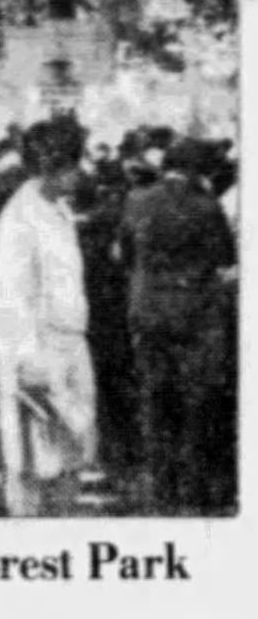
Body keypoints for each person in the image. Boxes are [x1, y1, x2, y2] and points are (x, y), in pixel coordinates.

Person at [116, 138, 238, 515]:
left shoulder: (137, 200)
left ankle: (161, 485)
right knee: (197, 402)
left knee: (155, 398)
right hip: (195, 317)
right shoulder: (206, 206)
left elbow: (123, 253)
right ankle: (195, 487)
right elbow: (224, 258)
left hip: (148, 312)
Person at [0, 116, 98, 517]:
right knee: (32, 458)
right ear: (52, 166)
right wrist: (28, 358)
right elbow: (12, 295)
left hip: (71, 341)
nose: (79, 173)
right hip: (36, 347)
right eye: (73, 165)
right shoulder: (19, 218)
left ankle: (63, 529)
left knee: (72, 450)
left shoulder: (59, 211)